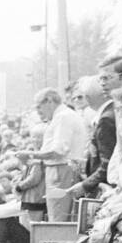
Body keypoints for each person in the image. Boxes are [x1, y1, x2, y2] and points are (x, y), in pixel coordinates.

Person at [24, 88, 88, 222]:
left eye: (39, 106)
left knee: (58, 217)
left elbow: (58, 151)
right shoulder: (63, 116)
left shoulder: (63, 117)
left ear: (49, 101)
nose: (38, 111)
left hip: (60, 170)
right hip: (60, 170)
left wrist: (31, 155)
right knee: (57, 214)